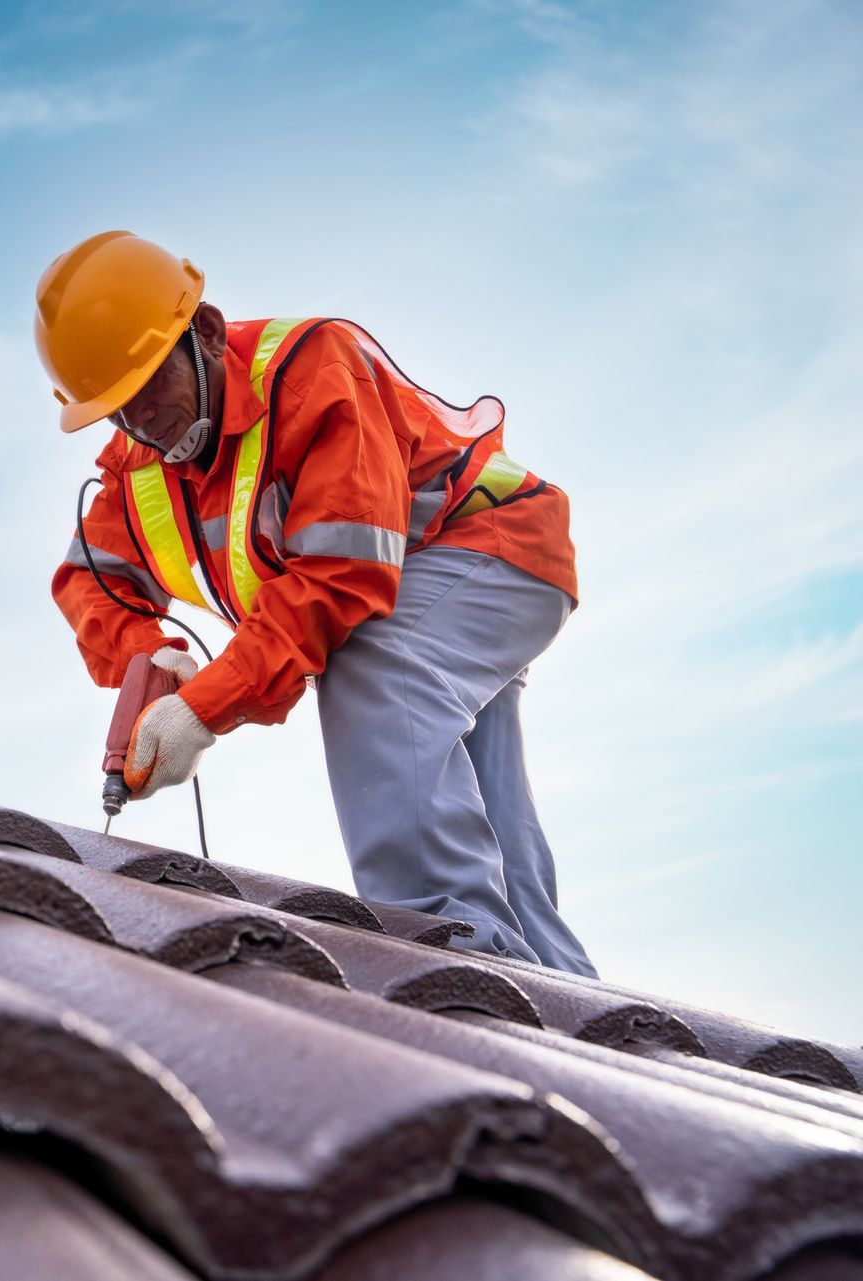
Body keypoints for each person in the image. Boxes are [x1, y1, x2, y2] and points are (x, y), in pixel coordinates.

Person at [39, 230, 597, 976]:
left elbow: (341, 578)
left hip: (491, 545)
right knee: (476, 795)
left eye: (147, 386)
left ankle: (455, 966)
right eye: (114, 408)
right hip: (439, 583)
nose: (140, 421)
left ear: (203, 333)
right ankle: (561, 995)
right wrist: (147, 653)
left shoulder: (312, 374)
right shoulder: (143, 469)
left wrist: (200, 707)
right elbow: (86, 579)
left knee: (380, 664)